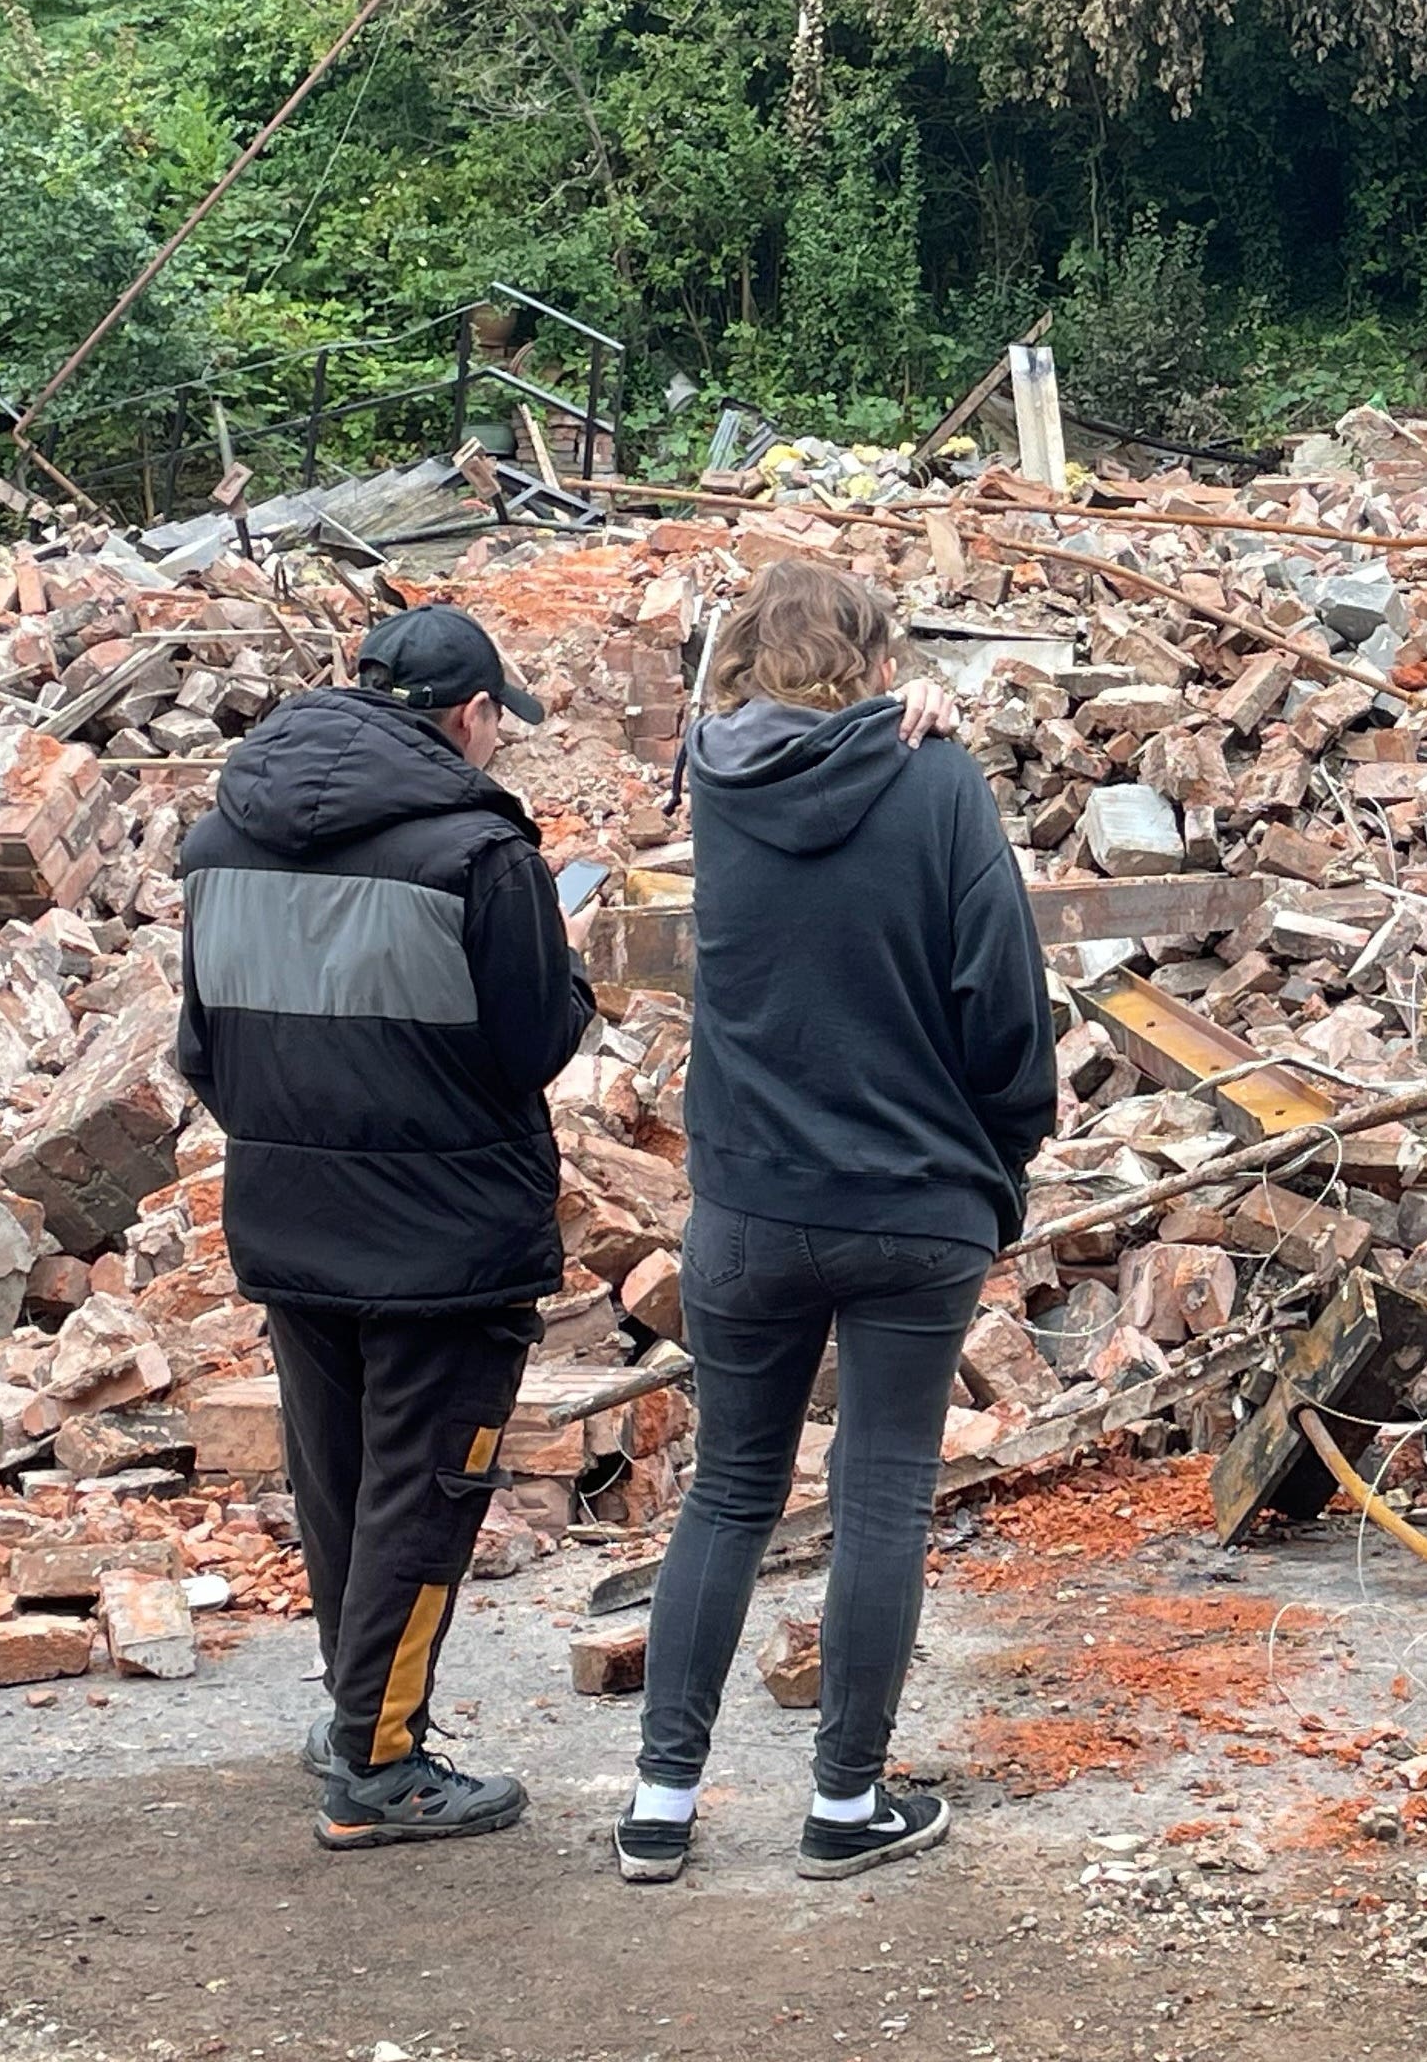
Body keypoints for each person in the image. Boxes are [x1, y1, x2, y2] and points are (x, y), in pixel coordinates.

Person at [619, 557, 1055, 1886]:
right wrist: (1002, 1150)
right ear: (877, 658)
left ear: (746, 656)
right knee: (878, 1496)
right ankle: (845, 1806)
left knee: (728, 1495)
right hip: (913, 1204)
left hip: (748, 1203)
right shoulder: (936, 778)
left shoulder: (720, 786)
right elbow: (1002, 998)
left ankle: (660, 1804)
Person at [174, 602, 594, 1849]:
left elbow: (204, 1048)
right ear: (472, 717)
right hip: (444, 1234)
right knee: (422, 1496)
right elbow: (538, 1043)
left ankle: (356, 1713)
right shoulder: (481, 856)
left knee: (342, 1483)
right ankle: (379, 1762)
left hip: (290, 1213)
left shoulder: (218, 841)